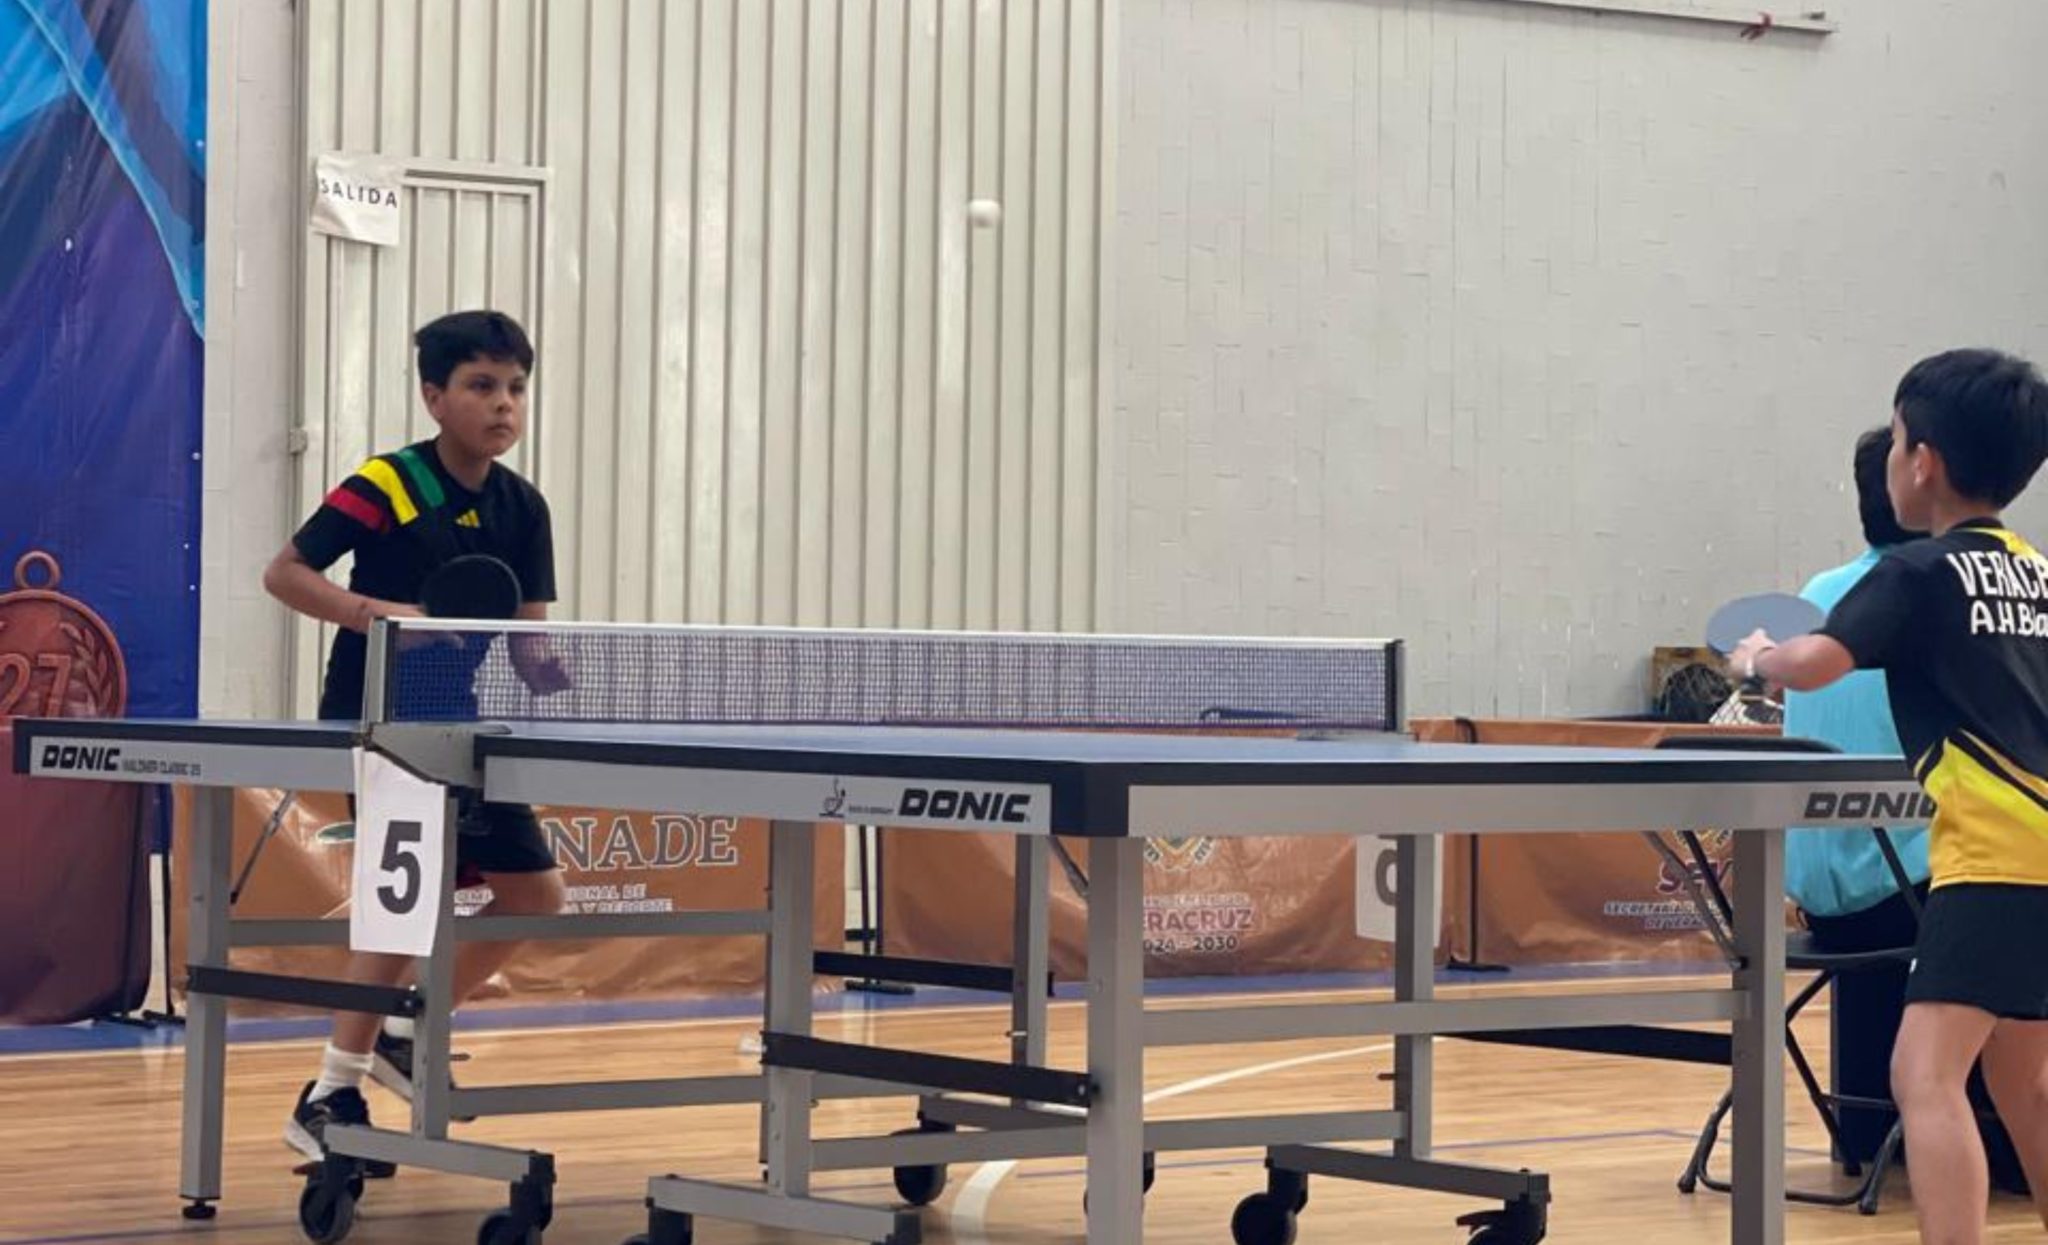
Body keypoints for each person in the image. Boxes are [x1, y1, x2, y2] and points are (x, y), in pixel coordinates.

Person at [1730, 348, 2048, 1244]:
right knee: (2022, 1080)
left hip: (1990, 858)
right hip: (2041, 852)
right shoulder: (2036, 573)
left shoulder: (1914, 574)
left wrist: (1759, 655)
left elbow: (1817, 660)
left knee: (1924, 1075)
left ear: (1923, 463)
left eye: (1900, 439)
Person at [262, 310, 568, 1164]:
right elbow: (285, 573)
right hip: (380, 716)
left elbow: (530, 641)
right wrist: (383, 616)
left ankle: (407, 1020)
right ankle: (330, 1090)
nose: (503, 404)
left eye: (516, 388)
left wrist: (555, 674)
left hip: (461, 722)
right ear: (435, 397)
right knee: (411, 898)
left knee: (535, 896)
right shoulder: (387, 484)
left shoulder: (523, 506)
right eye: (482, 386)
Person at [1782, 426, 1933, 1163]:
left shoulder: (1816, 595)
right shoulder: (1933, 601)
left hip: (1819, 900)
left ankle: (1868, 1134)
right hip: (1903, 899)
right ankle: (2002, 1141)